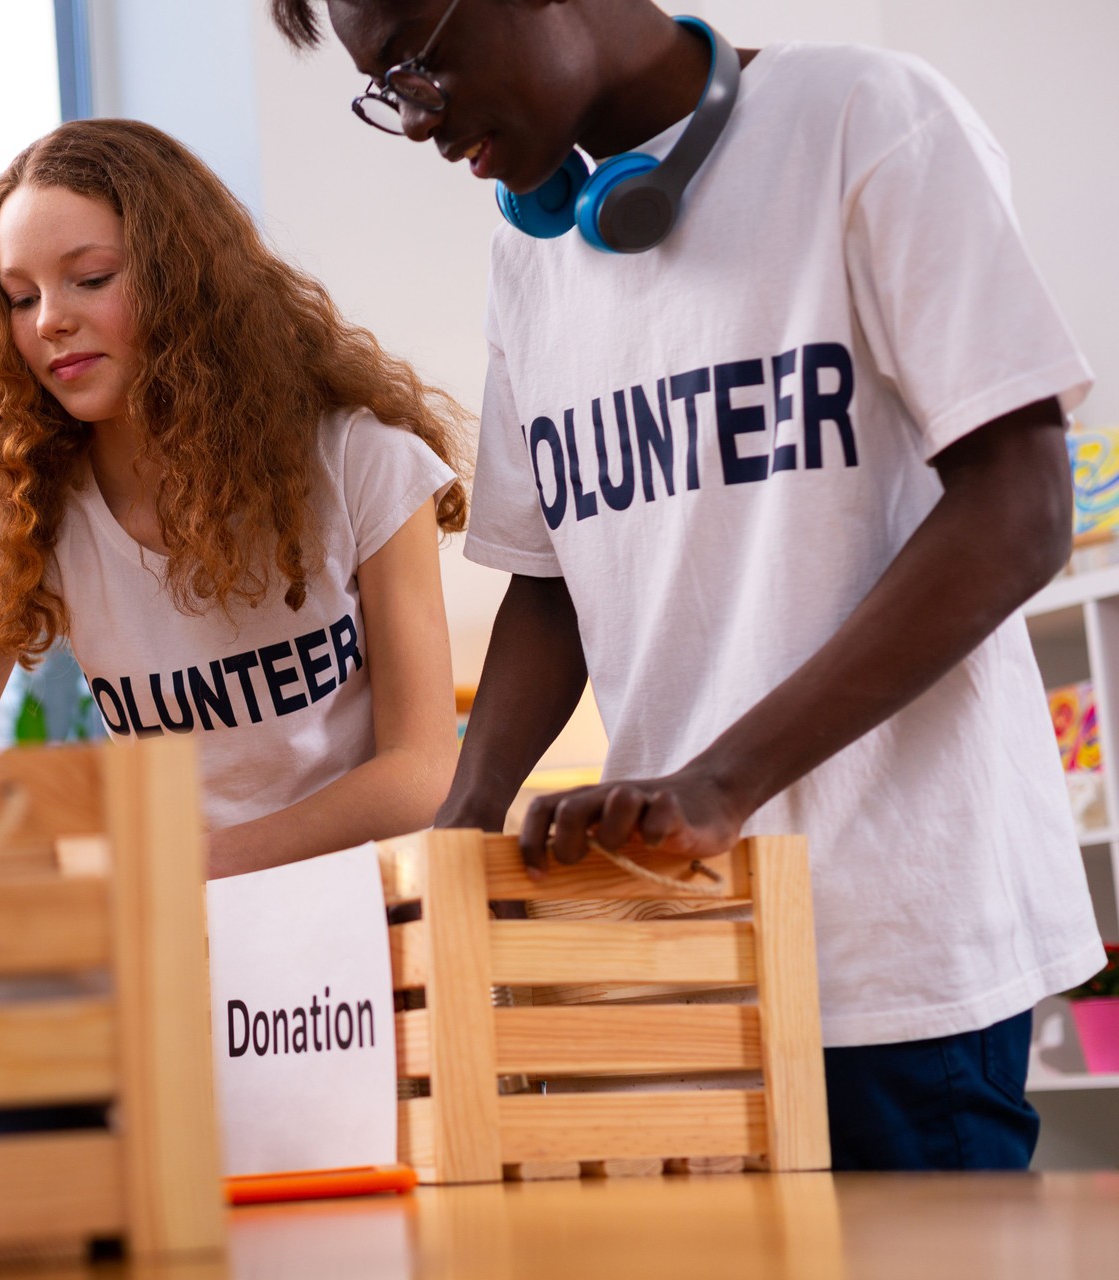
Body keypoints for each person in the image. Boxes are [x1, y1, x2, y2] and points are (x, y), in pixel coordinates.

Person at [271, 0, 1105, 1169]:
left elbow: (1019, 510)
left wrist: (725, 776)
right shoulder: (530, 249)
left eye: (421, 59)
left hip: (894, 944)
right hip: (679, 940)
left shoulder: (867, 120)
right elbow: (549, 582)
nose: (417, 119)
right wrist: (466, 812)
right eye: (387, 88)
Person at [0, 119, 468, 878]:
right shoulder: (26, 506)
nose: (49, 321)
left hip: (370, 917)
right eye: (19, 296)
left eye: (90, 278)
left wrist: (189, 870)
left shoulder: (361, 460)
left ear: (185, 279)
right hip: (181, 935)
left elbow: (419, 776)